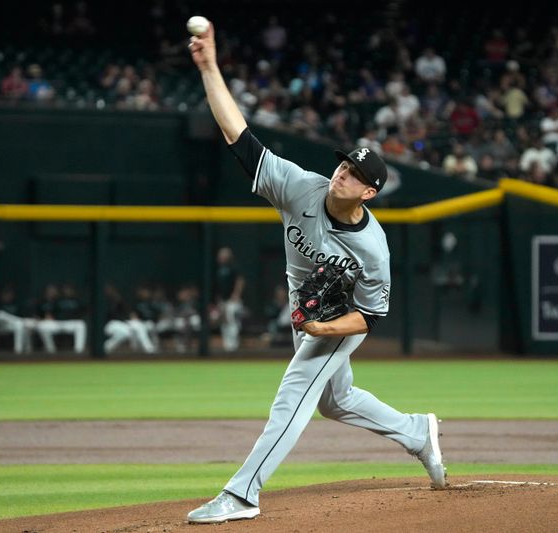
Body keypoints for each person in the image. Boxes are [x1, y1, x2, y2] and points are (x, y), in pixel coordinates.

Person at [185, 20, 446, 524]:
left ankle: (242, 494)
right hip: (309, 309)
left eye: (352, 174)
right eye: (342, 166)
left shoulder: (373, 249)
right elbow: (238, 136)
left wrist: (324, 330)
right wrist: (210, 67)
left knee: (295, 394)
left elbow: (371, 315)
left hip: (337, 319)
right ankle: (416, 431)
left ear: (369, 193)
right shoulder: (299, 186)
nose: (341, 174)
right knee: (335, 399)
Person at [214, 247, 245, 351]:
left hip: (233, 301)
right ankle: (227, 346)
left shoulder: (234, 267)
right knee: (223, 321)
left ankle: (234, 346)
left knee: (231, 318)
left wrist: (236, 294)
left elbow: (240, 281)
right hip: (223, 301)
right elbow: (217, 288)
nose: (221, 258)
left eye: (223, 255)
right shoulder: (218, 270)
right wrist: (219, 302)